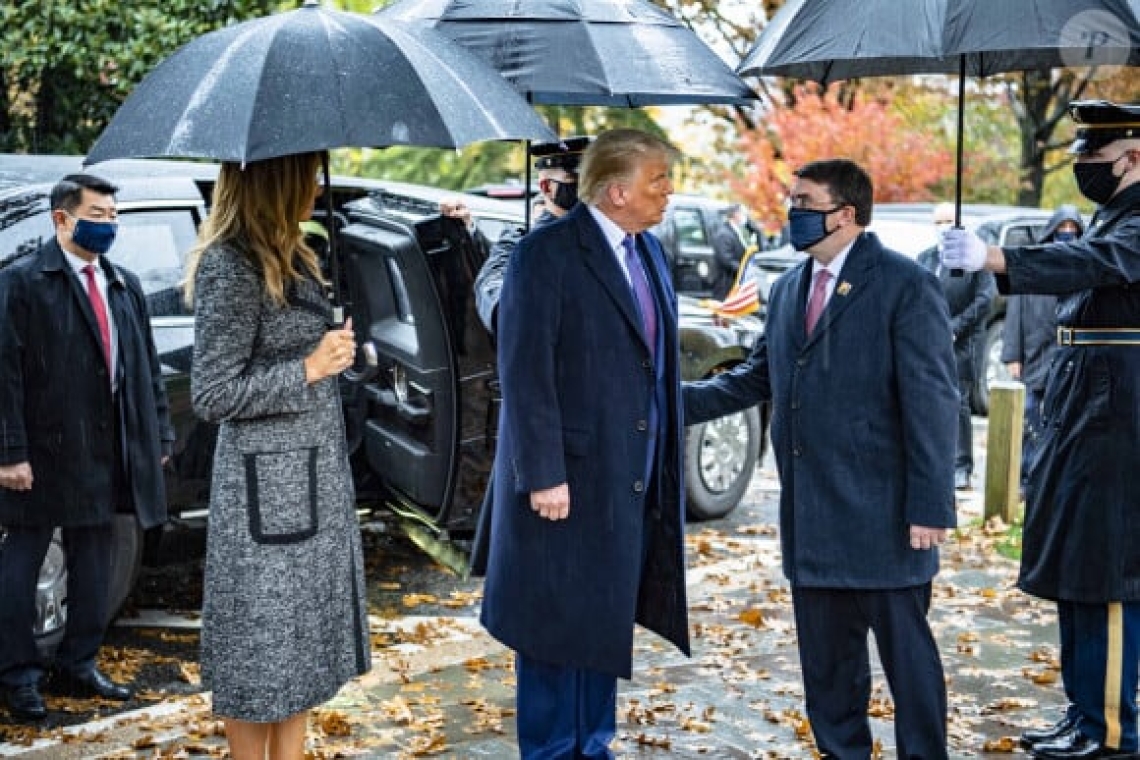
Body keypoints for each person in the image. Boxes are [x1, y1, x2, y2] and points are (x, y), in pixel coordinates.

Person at [684, 159, 958, 758]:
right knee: (829, 675)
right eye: (791, 200)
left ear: (847, 214)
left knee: (908, 667)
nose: (792, 212)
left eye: (805, 202)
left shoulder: (905, 284)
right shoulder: (787, 289)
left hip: (887, 520)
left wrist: (930, 506)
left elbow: (933, 402)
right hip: (813, 519)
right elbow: (755, 379)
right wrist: (666, 402)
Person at [480, 129, 690, 759]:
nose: (668, 191)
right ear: (617, 189)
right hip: (561, 483)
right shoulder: (545, 253)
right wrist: (543, 473)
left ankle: (592, 746)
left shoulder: (649, 250)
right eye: (658, 179)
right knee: (550, 630)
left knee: (600, 622)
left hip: (626, 477)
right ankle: (549, 750)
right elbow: (525, 370)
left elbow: (648, 367)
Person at [943, 99, 1140, 760]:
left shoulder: (1135, 224)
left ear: (1133, 155)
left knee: (1111, 575)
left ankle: (1111, 729)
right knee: (1080, 570)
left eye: (1095, 156)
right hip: (1089, 405)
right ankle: (1084, 712)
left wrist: (998, 258)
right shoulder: (1111, 215)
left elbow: (1090, 264)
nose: (1085, 166)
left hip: (1122, 419)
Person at [185, 152, 370, 760]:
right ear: (277, 181)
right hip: (263, 502)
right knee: (258, 657)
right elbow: (212, 394)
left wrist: (336, 353)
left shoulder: (296, 254)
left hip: (310, 484)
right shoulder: (228, 265)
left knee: (300, 656)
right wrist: (309, 368)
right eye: (308, 175)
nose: (317, 185)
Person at [0, 173, 174, 721]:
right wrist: (9, 452)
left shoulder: (123, 285)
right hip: (40, 452)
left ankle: (79, 665)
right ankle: (18, 677)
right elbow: (3, 373)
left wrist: (159, 435)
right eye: (97, 215)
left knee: (95, 565)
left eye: (113, 216)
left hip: (106, 452)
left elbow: (145, 369)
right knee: (20, 567)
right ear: (62, 219)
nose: (109, 225)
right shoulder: (23, 282)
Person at [470, 135, 591, 335]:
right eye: (575, 180)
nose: (586, 187)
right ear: (546, 187)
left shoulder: (610, 235)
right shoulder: (521, 242)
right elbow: (493, 295)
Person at [1001, 206, 1084, 495]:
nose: (1068, 235)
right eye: (1063, 229)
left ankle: (1053, 481)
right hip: (1035, 353)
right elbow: (1014, 311)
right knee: (1031, 420)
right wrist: (1013, 354)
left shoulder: (1083, 267)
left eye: (1074, 230)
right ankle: (1027, 479)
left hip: (1067, 360)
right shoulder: (1035, 263)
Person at [916, 201, 997, 491]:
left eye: (948, 221)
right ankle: (935, 464)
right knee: (929, 403)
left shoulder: (973, 260)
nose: (943, 228)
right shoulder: (925, 259)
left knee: (959, 401)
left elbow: (985, 299)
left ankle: (962, 466)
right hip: (929, 343)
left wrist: (954, 328)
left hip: (964, 342)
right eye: (938, 222)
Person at [711, 203, 750, 299]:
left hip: (734, 281)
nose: (745, 217)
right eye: (743, 213)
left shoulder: (737, 231)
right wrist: (743, 270)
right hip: (725, 283)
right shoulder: (724, 234)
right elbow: (726, 259)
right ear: (735, 214)